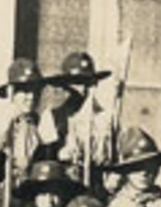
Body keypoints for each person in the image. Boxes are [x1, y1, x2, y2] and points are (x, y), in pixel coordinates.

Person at [0, 58, 62, 196]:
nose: (31, 97)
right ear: (11, 92)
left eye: (35, 91)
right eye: (25, 91)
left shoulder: (42, 125)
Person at [49, 52, 117, 183]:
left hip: (96, 187)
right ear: (65, 85)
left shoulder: (105, 120)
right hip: (62, 187)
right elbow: (46, 160)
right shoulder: (53, 118)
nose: (82, 88)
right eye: (77, 82)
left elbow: (114, 159)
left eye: (87, 82)